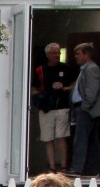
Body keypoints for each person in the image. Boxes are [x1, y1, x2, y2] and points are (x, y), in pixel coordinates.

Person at [31, 43, 74, 174]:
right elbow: (33, 89)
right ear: (48, 54)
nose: (57, 55)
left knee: (62, 136)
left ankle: (64, 166)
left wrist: (64, 88)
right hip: (46, 108)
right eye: (54, 53)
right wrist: (41, 98)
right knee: (48, 138)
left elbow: (74, 85)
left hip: (62, 107)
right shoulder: (40, 70)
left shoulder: (66, 68)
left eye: (58, 52)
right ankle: (52, 167)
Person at [69, 43, 100, 178]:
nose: (76, 57)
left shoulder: (91, 69)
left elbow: (91, 91)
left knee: (81, 139)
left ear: (86, 54)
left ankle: (77, 168)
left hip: (86, 110)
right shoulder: (85, 69)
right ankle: (91, 169)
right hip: (85, 109)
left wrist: (85, 107)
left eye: (78, 54)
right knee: (92, 140)